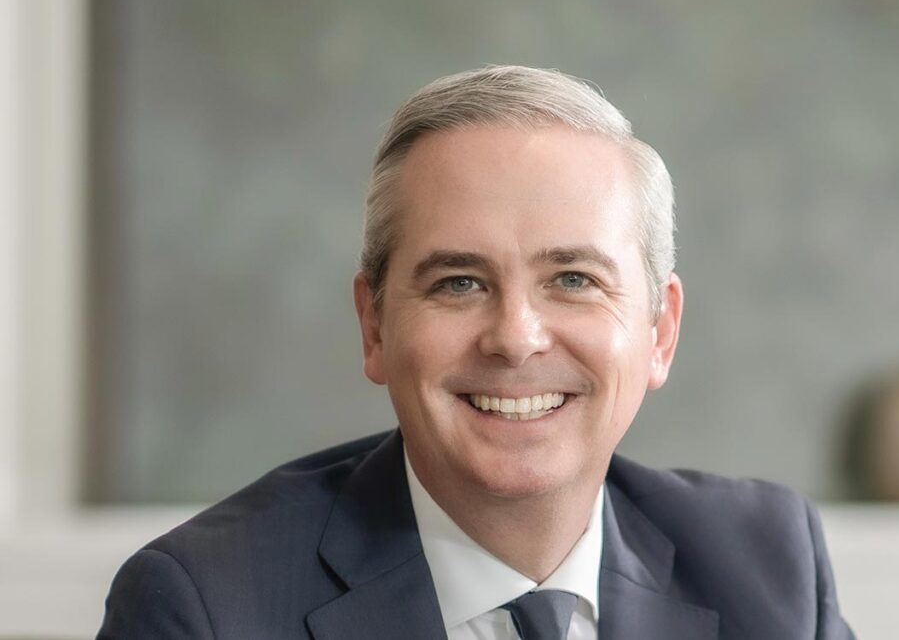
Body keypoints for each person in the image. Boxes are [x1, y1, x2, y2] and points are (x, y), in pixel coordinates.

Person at [98, 65, 855, 639]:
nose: (516, 336)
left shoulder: (770, 569)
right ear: (375, 328)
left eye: (573, 278)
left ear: (660, 331)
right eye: (459, 282)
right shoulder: (204, 606)